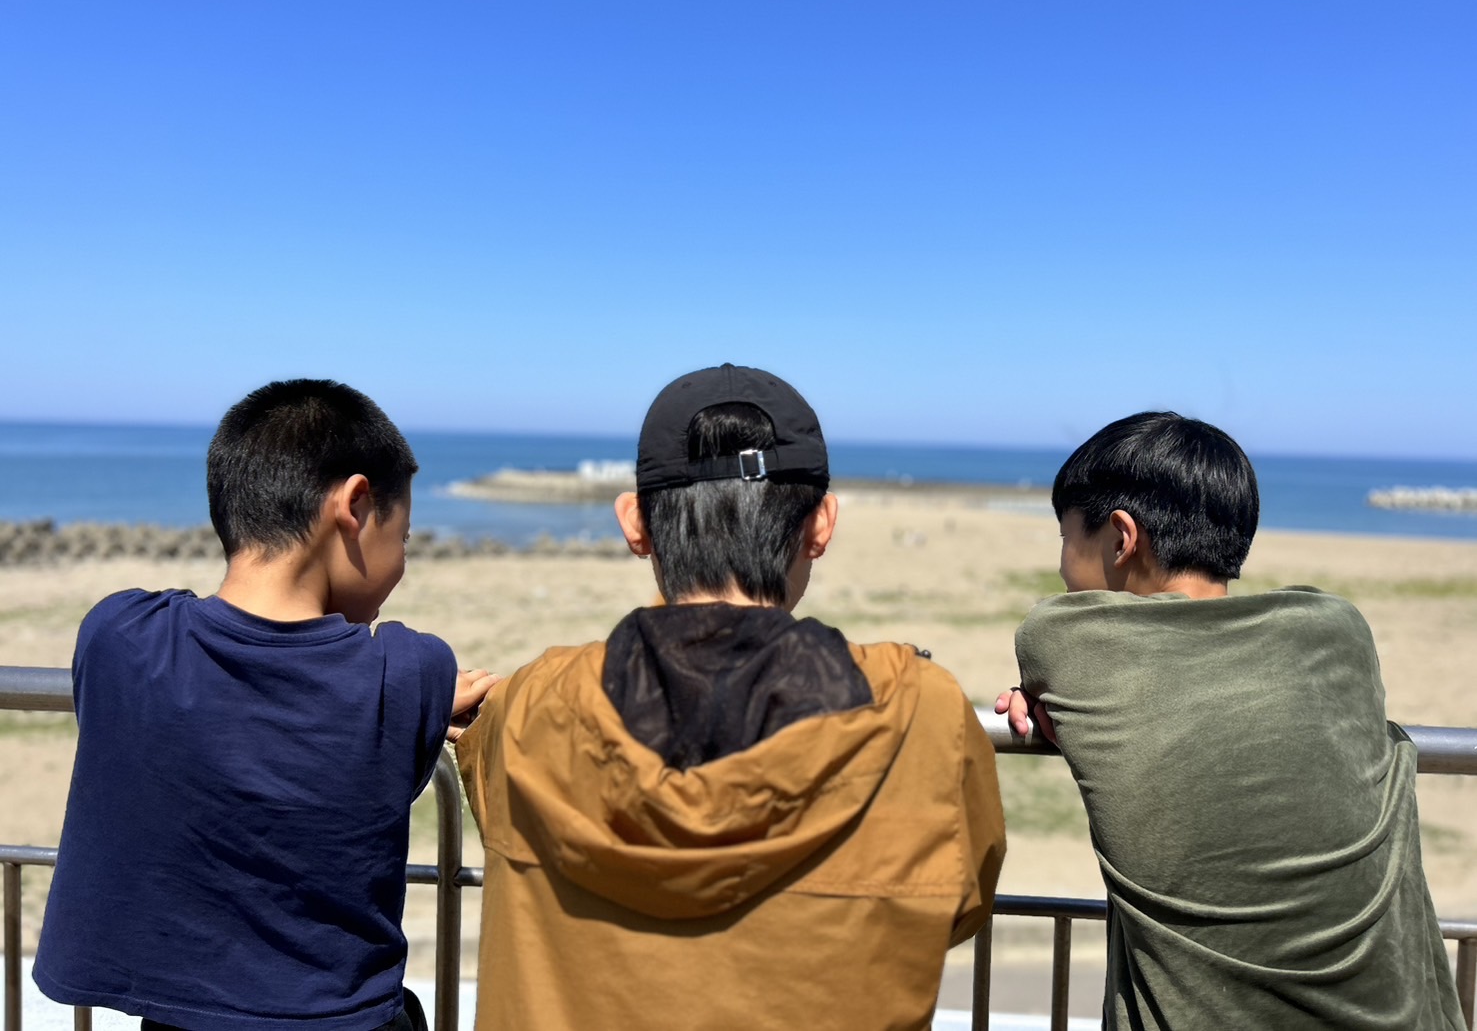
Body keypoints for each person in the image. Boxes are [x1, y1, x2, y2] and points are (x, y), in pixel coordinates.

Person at [456, 363, 1006, 1031]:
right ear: (821, 524)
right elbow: (963, 901)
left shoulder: (530, 705)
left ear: (635, 524)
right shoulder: (921, 712)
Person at [34, 379, 496, 1031]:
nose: (400, 562)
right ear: (355, 505)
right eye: (405, 537)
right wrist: (425, 700)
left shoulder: (120, 634)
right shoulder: (408, 671)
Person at [996, 411, 1463, 1030]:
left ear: (1121, 538)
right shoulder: (1336, 630)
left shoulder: (1064, 640)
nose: (1061, 568)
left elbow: (1061, 634)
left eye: (1065, 538)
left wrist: (1048, 698)